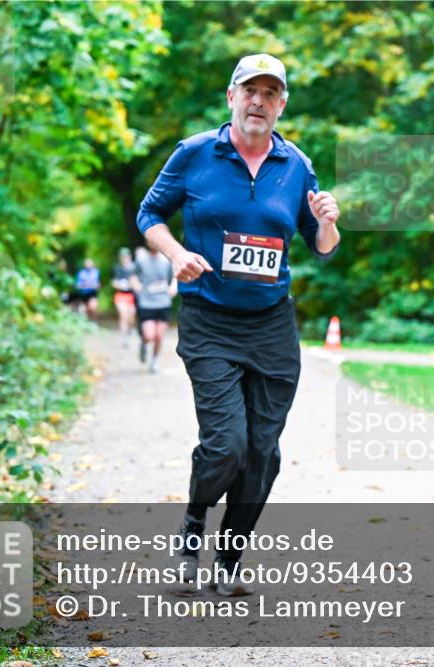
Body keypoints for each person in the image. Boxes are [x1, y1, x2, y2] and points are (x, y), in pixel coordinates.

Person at [135, 53, 340, 595]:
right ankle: (193, 523)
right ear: (231, 97)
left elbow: (321, 246)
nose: (259, 101)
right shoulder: (196, 154)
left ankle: (228, 559)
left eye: (270, 93)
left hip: (272, 325)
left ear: (281, 105)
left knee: (263, 454)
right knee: (227, 443)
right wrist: (176, 253)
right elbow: (148, 215)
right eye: (250, 90)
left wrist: (327, 225)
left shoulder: (296, 164)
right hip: (209, 321)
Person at [130, 242, 176, 373]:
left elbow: (175, 276)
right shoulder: (141, 259)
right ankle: (144, 344)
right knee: (149, 335)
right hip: (147, 303)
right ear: (148, 243)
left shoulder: (167, 259)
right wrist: (136, 285)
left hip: (163, 302)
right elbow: (133, 276)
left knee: (159, 336)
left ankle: (155, 360)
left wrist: (173, 287)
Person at [111, 247, 137, 348]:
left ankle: (129, 331)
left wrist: (131, 285)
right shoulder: (117, 268)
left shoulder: (134, 268)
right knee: (123, 315)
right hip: (121, 295)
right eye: (122, 257)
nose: (124, 258)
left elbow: (138, 282)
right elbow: (114, 282)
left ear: (130, 257)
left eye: (126, 256)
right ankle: (124, 338)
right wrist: (120, 285)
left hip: (131, 295)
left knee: (131, 317)